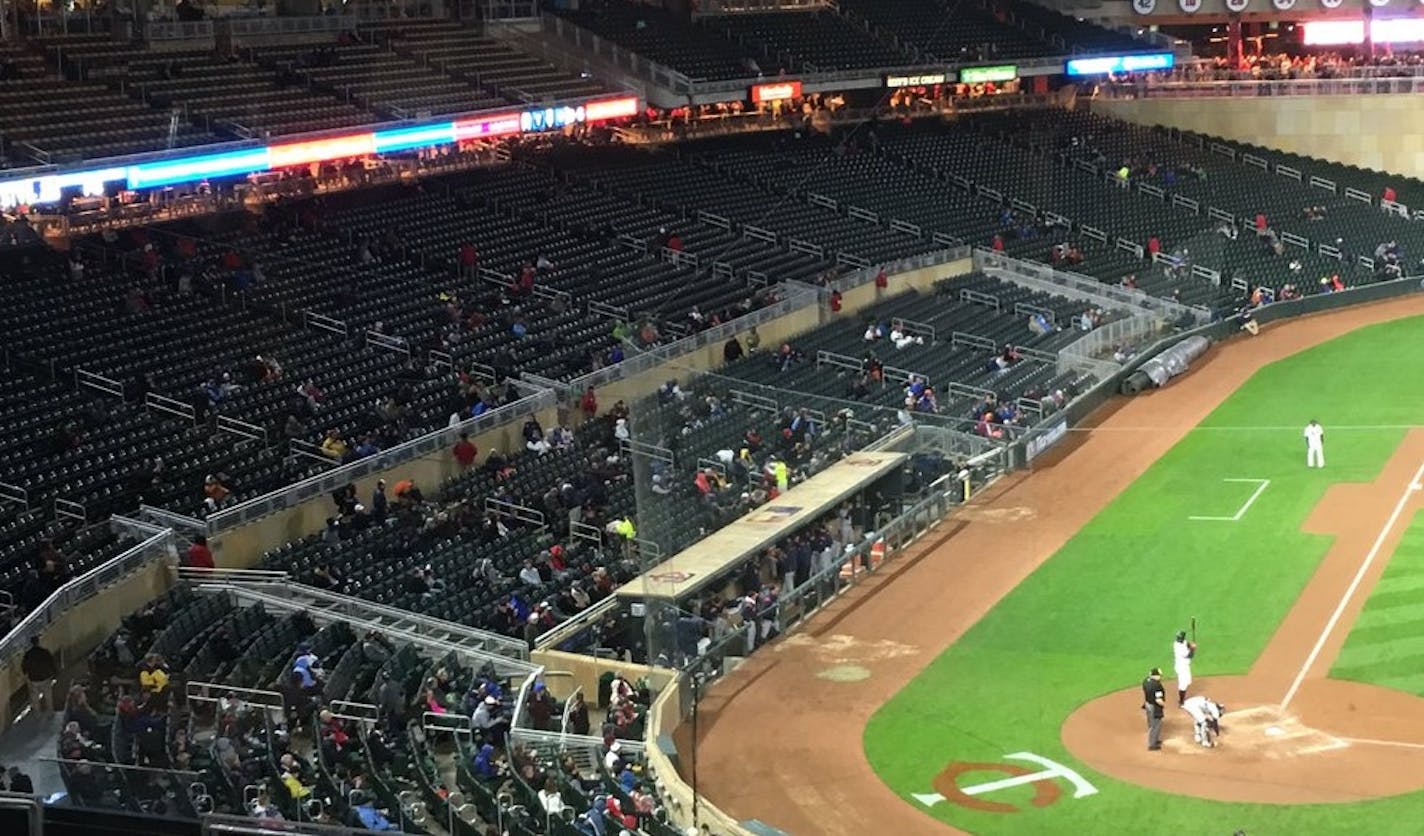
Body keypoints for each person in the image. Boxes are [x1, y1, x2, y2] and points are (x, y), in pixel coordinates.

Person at [21, 637, 57, 718]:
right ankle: (50, 713)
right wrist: (54, 673)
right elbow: (52, 663)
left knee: (35, 699)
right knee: (48, 697)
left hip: (33, 679)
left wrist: (27, 675)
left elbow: (24, 667)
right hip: (45, 678)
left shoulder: (28, 654)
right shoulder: (44, 652)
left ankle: (37, 715)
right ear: (38, 642)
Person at [1142, 667, 1165, 751]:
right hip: (1154, 707)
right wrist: (1163, 704)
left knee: (1151, 723)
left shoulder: (1146, 681)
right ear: (1155, 676)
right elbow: (1158, 700)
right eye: (1159, 676)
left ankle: (1155, 739)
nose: (1160, 677)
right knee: (1156, 725)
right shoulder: (1157, 685)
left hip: (1147, 704)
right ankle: (1152, 744)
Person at [1172, 630, 1196, 707]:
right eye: (1178, 638)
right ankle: (1181, 702)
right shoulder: (1178, 646)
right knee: (1183, 684)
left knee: (1188, 681)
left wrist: (1190, 645)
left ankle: (1182, 699)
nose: (1178, 639)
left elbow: (1187, 643)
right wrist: (1193, 649)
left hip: (1185, 666)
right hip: (1181, 667)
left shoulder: (1183, 641)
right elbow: (1190, 655)